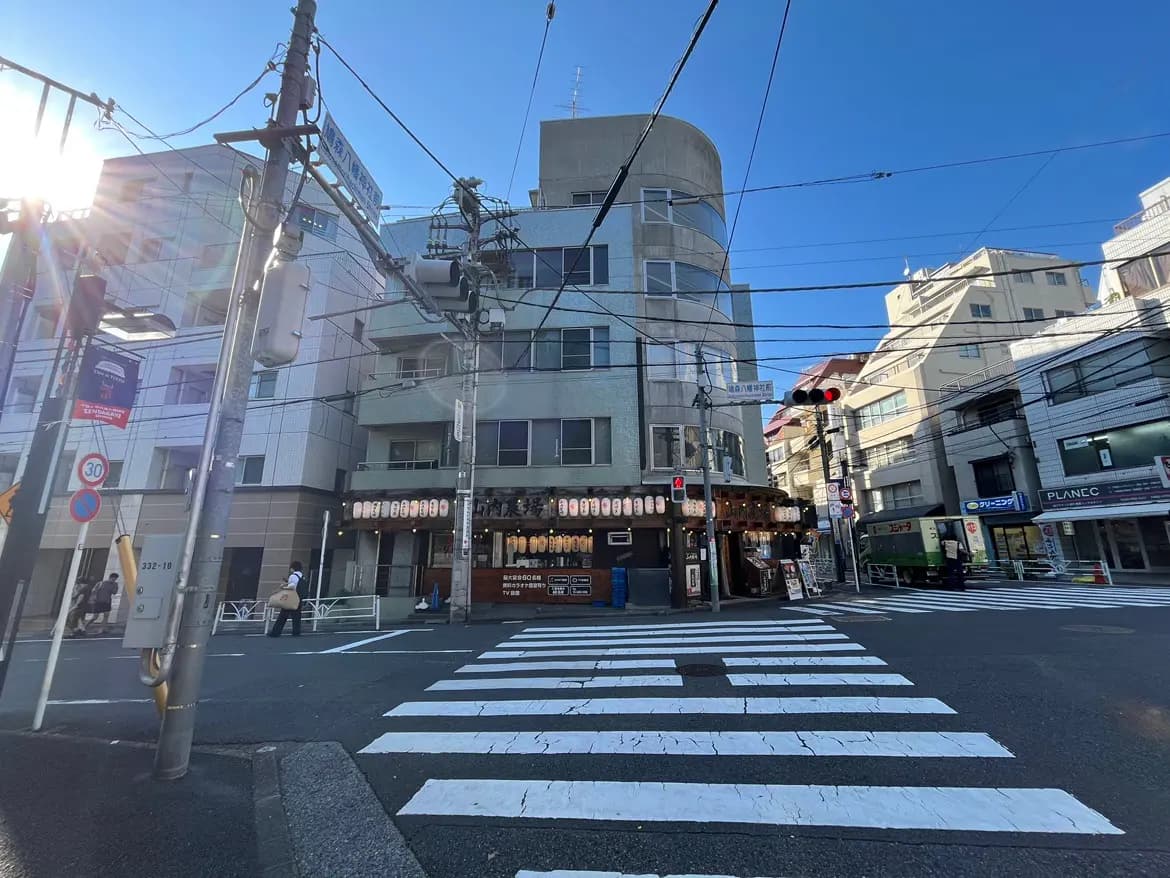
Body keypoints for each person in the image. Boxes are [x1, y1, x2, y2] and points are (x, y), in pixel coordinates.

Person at [268, 561, 306, 637]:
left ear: (293, 568)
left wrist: (284, 587)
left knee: (283, 616)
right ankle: (296, 632)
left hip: (290, 598)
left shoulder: (293, 576)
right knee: (297, 616)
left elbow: (292, 585)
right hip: (298, 598)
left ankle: (275, 632)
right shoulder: (302, 576)